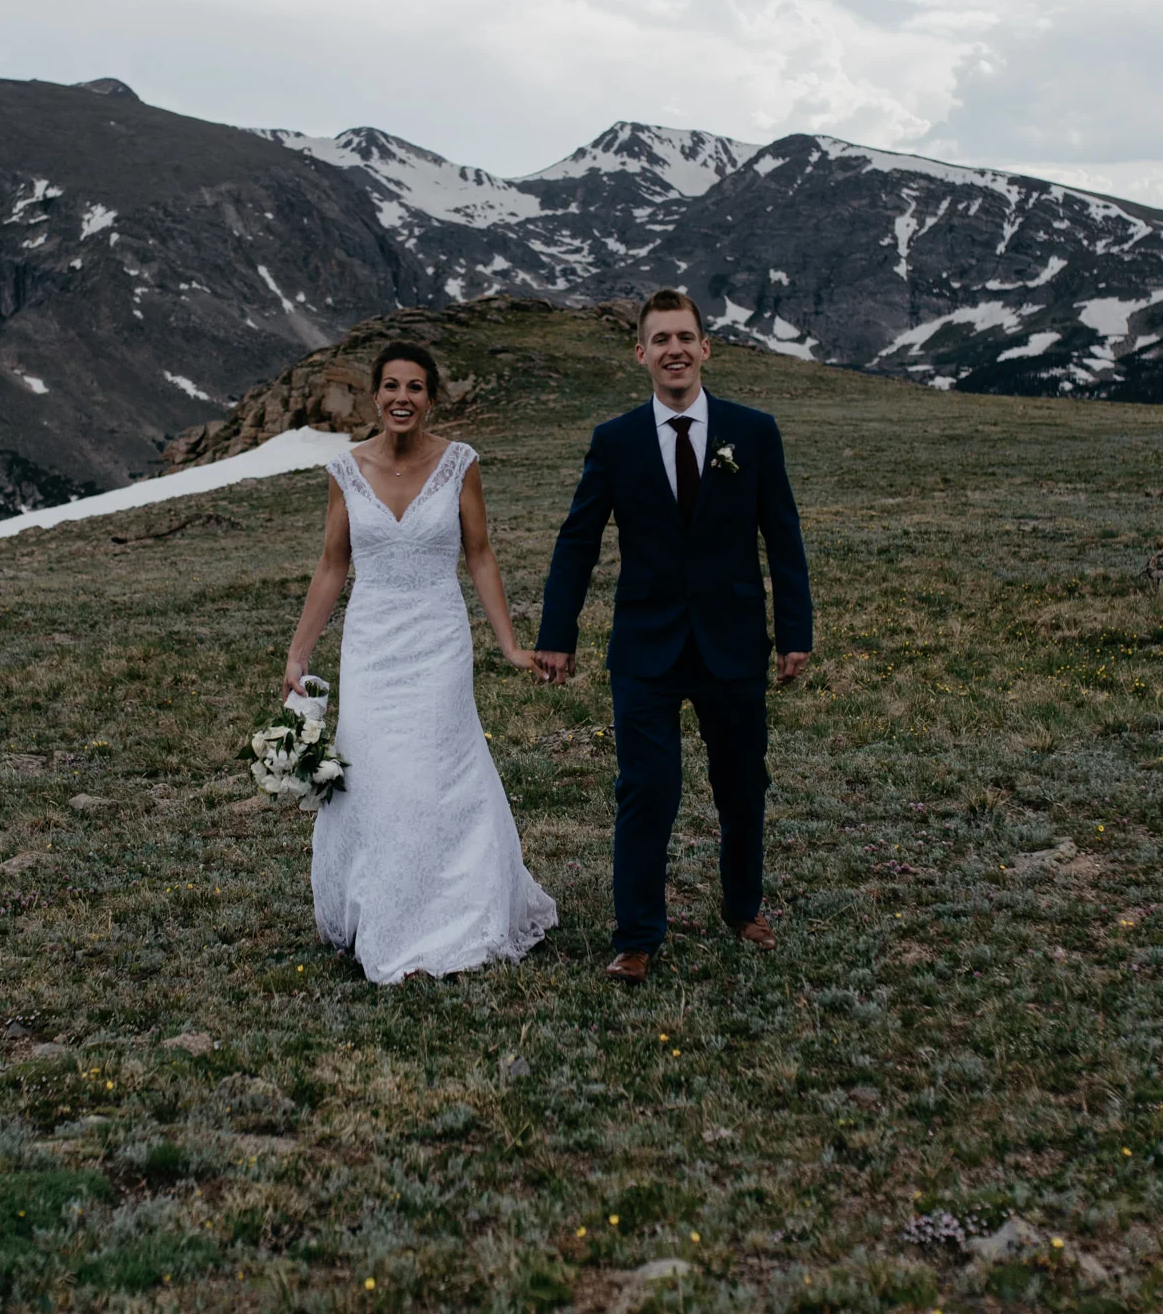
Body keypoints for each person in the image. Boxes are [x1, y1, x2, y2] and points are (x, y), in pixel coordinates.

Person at [535, 290, 813, 984]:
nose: (675, 350)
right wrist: (557, 635)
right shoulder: (616, 439)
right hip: (645, 649)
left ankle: (744, 906)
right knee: (646, 790)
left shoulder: (753, 432)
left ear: (706, 346)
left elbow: (783, 538)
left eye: (685, 336)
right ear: (641, 353)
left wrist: (794, 632)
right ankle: (636, 937)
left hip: (734, 643)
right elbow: (578, 542)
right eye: (660, 339)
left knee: (741, 784)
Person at [282, 340, 558, 983]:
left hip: (438, 641)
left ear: (431, 398)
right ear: (375, 396)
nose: (402, 397)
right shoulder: (345, 471)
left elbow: (481, 556)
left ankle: (453, 912)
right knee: (376, 776)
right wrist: (298, 653)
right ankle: (380, 911)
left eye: (415, 387)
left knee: (436, 771)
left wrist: (510, 645)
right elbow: (332, 565)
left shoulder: (460, 464)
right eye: (391, 386)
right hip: (373, 646)